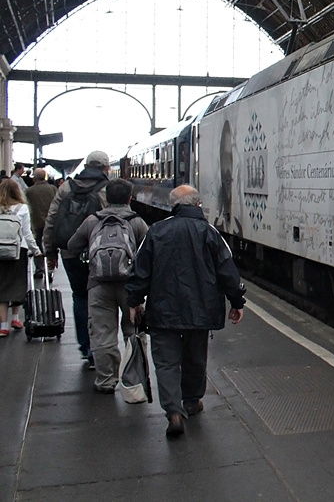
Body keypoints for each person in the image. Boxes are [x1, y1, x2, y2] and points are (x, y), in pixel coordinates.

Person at [126, 184, 245, 438]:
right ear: (198, 205)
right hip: (200, 311)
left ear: (174, 206)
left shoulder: (156, 231)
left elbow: (140, 271)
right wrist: (237, 302)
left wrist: (134, 301)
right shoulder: (209, 232)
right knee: (195, 358)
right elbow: (227, 270)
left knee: (166, 362)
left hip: (162, 310)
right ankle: (191, 401)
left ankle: (174, 412)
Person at [67, 179, 148, 394]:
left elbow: (71, 246)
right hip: (131, 288)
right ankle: (136, 380)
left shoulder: (92, 221)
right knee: (134, 331)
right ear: (130, 198)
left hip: (98, 284)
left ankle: (106, 381)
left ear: (106, 197)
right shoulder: (137, 222)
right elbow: (150, 253)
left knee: (102, 333)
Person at [43, 150, 110, 367]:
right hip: (98, 252)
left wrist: (50, 252)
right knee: (100, 299)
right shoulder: (106, 188)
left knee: (80, 297)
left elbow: (52, 220)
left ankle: (86, 347)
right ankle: (97, 350)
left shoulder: (66, 187)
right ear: (105, 168)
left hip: (70, 252)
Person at [0, 179, 42, 337]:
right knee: (18, 284)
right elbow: (27, 232)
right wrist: (36, 250)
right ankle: (16, 318)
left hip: (0, 251)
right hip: (19, 250)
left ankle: (3, 326)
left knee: (2, 286)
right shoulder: (22, 208)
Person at [25, 168, 56, 282]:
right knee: (50, 246)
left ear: (34, 178)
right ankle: (50, 269)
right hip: (51, 223)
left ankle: (39, 269)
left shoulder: (29, 191)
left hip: (36, 223)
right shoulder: (52, 189)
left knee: (38, 246)